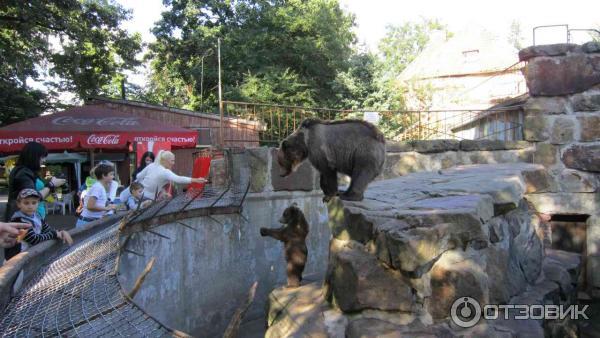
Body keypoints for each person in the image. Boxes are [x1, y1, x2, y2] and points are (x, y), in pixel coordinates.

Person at [4, 142, 66, 222]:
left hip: (33, 219)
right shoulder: (22, 173)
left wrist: (51, 187)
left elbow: (37, 193)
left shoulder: (28, 171)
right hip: (26, 221)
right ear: (34, 157)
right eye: (42, 157)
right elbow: (31, 196)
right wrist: (51, 185)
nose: (44, 160)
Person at [5, 189, 72, 260]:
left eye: (34, 203)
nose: (30, 206)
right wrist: (55, 234)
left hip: (29, 257)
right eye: (26, 203)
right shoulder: (19, 220)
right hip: (15, 259)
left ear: (38, 203)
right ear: (19, 204)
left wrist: (61, 232)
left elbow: (48, 230)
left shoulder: (37, 216)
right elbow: (34, 239)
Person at [136, 150, 206, 200]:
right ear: (165, 161)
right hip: (147, 200)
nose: (173, 163)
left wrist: (145, 186)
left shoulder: (152, 165)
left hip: (138, 196)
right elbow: (178, 179)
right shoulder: (165, 172)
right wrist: (196, 180)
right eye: (172, 161)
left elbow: (138, 177)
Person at [76, 163, 117, 228]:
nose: (113, 177)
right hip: (87, 223)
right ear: (104, 175)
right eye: (111, 174)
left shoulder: (100, 186)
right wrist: (107, 208)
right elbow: (90, 206)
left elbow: (96, 205)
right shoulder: (98, 187)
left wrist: (109, 207)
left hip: (90, 222)